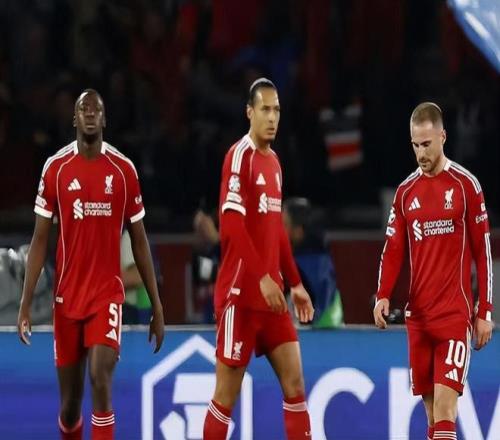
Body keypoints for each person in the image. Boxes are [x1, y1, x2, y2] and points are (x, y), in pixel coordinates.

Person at [17, 89, 165, 440]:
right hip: (67, 299)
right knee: (70, 407)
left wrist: (157, 305)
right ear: (74, 118)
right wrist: (25, 302)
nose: (89, 113)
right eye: (83, 108)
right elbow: (39, 240)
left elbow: (139, 240)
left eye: (95, 109)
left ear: (104, 119)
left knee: (100, 378)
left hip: (106, 296)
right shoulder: (56, 169)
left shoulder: (123, 171)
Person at [374, 102, 493, 440]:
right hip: (419, 318)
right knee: (431, 415)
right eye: (415, 145)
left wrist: (485, 310)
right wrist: (383, 294)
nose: (421, 153)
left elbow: (483, 252)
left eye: (426, 144)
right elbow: (393, 249)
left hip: (454, 315)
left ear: (443, 137)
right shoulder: (405, 193)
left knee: (444, 409)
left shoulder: (466, 185)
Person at [203, 78, 314, 439]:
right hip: (240, 296)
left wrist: (294, 283)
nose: (272, 117)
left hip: (272, 299)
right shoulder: (240, 157)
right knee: (226, 394)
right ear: (249, 112)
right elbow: (231, 224)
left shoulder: (275, 163)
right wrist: (262, 277)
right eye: (265, 109)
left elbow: (276, 229)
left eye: (277, 110)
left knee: (295, 383)